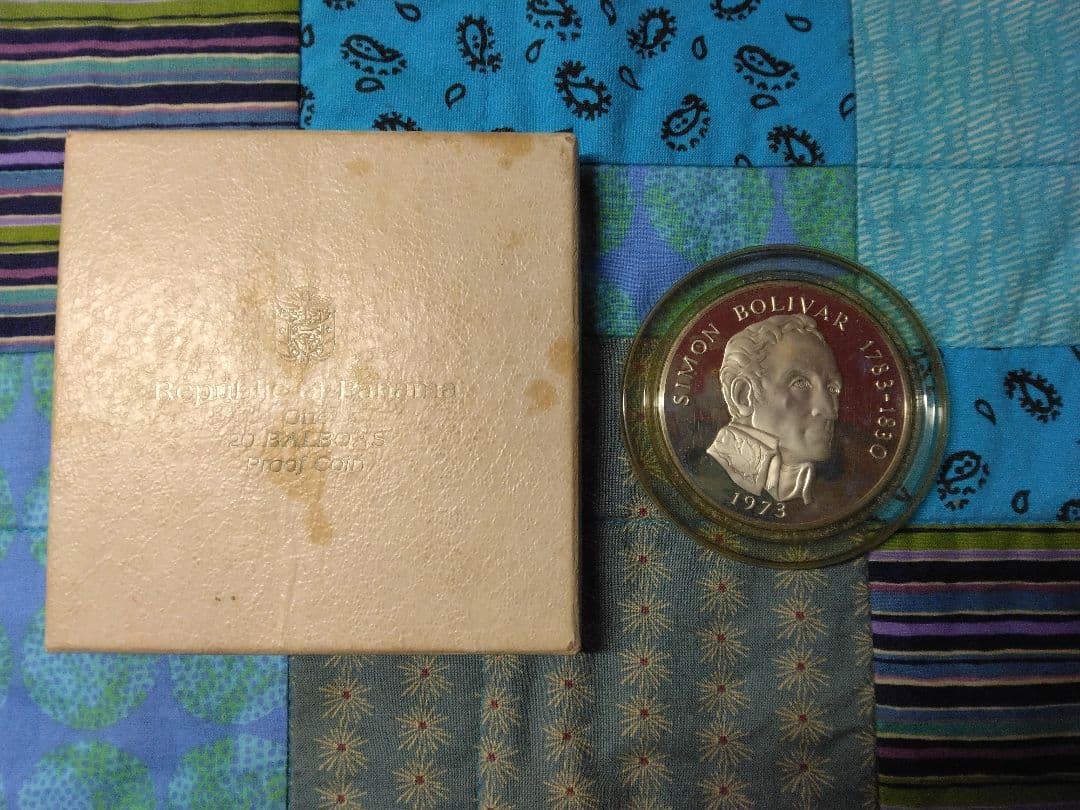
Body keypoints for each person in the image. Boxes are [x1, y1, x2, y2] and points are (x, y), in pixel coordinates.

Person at [704, 314, 841, 504]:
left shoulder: (831, 493)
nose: (830, 410)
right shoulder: (705, 477)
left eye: (832, 388)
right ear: (743, 395)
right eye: (800, 383)